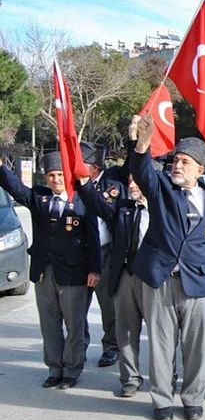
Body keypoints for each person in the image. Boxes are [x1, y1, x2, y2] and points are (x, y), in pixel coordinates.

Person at [130, 115, 205, 420]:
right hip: (161, 280)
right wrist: (143, 143)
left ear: (200, 170)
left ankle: (192, 398)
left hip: (200, 283)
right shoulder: (162, 189)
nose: (177, 166)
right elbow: (141, 171)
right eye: (175, 160)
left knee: (196, 347)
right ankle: (161, 400)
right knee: (161, 345)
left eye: (185, 162)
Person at [0, 152, 101, 389]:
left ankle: (72, 370)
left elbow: (93, 239)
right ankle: (55, 368)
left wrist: (95, 269)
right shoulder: (39, 198)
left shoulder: (83, 200)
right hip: (45, 272)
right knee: (49, 323)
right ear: (46, 178)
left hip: (74, 274)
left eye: (59, 175)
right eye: (51, 175)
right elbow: (15, 188)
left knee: (74, 324)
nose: (55, 180)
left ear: (67, 176)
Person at [74, 131, 159, 398]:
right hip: (124, 275)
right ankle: (130, 378)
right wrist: (84, 184)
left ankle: (165, 376)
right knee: (126, 331)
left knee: (160, 333)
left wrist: (136, 140)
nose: (131, 185)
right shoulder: (122, 207)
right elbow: (98, 205)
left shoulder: (165, 210)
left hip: (155, 279)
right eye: (130, 181)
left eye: (136, 182)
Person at [80, 141, 126, 368]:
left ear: (95, 166)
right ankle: (77, 348)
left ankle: (111, 347)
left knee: (108, 306)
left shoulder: (112, 182)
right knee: (77, 306)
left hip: (106, 251)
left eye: (81, 164)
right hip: (79, 253)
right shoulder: (71, 186)